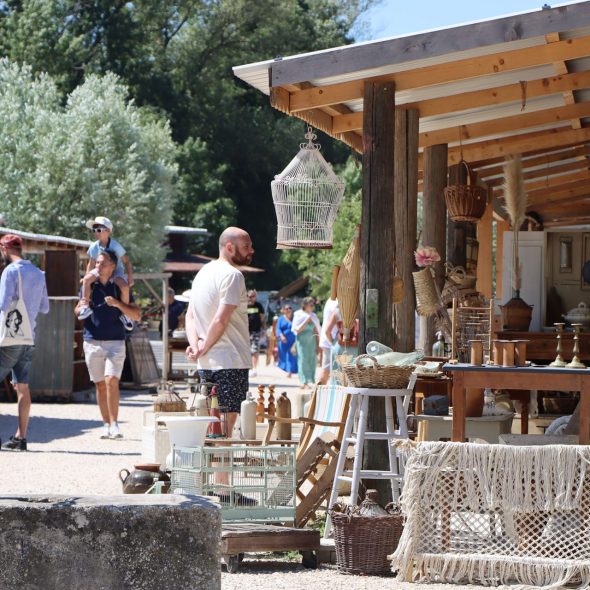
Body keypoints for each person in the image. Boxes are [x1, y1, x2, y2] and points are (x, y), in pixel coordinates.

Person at [185, 227, 255, 504]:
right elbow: (221, 320)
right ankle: (223, 491)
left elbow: (190, 315)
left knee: (212, 427)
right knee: (225, 429)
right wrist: (203, 345)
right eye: (246, 245)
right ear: (229, 247)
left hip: (207, 361)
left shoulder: (202, 274)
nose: (251, 251)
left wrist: (196, 345)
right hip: (230, 360)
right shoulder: (233, 275)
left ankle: (215, 487)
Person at [74, 249, 141, 439]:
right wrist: (81, 309)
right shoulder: (90, 284)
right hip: (92, 340)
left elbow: (136, 315)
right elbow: (77, 309)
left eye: (103, 263)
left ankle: (115, 424)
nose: (98, 266)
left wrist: (118, 304)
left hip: (116, 342)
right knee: (100, 385)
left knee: (112, 381)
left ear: (112, 266)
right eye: (97, 263)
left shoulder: (120, 286)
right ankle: (106, 425)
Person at [0, 234, 49, 451]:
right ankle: (21, 438)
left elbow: (2, 305)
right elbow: (45, 307)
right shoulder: (39, 273)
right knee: (23, 387)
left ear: (4, 249)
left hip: (9, 338)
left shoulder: (10, 272)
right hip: (30, 336)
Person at [77, 216, 135, 331]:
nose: (95, 233)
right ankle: (84, 306)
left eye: (98, 230)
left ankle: (126, 315)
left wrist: (130, 277)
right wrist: (87, 276)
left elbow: (126, 261)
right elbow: (91, 263)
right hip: (100, 270)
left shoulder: (115, 246)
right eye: (94, 230)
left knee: (124, 287)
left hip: (116, 270)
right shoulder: (94, 246)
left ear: (108, 231)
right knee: (87, 280)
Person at [291, 297, 321, 389]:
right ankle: (303, 381)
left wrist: (318, 344)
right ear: (304, 305)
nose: (312, 306)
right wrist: (306, 321)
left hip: (312, 342)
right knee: (303, 361)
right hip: (302, 342)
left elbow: (317, 331)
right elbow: (297, 329)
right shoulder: (298, 314)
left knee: (312, 361)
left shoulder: (314, 316)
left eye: (313, 305)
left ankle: (311, 380)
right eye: (310, 304)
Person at [318, 297, 339, 384]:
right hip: (330, 339)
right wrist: (333, 343)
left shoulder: (332, 299)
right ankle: (317, 394)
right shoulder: (336, 302)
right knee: (327, 370)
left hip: (328, 339)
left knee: (327, 369)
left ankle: (317, 394)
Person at [247, 289, 266, 377]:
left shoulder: (259, 306)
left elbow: (262, 319)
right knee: (246, 350)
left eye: (252, 296)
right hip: (245, 332)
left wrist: (264, 330)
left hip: (256, 331)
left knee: (254, 350)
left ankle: (254, 368)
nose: (250, 298)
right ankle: (248, 368)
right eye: (249, 296)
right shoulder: (244, 306)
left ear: (255, 297)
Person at [276, 304, 297, 377]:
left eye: (290, 308)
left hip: (293, 340)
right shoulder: (280, 319)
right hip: (283, 340)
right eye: (286, 308)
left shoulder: (295, 318)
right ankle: (287, 369)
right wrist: (281, 336)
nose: (288, 310)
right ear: (284, 310)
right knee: (284, 356)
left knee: (291, 355)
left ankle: (289, 371)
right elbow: (278, 329)